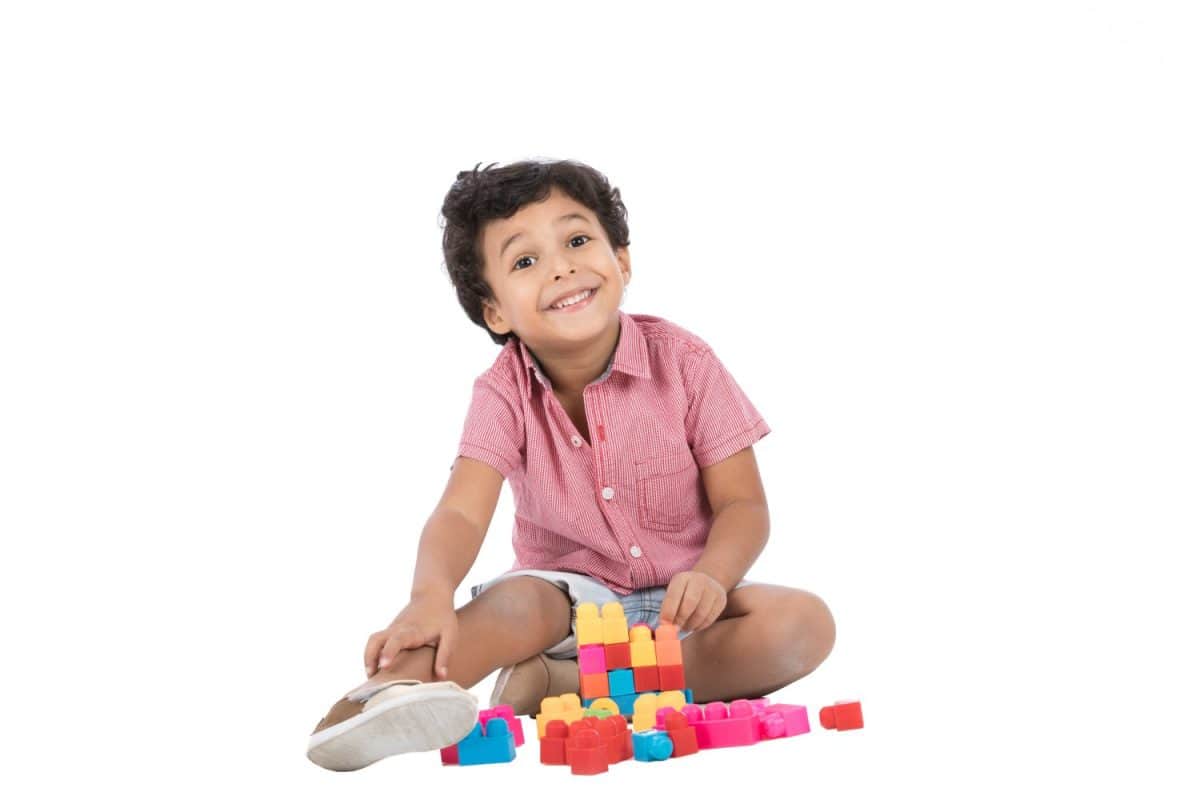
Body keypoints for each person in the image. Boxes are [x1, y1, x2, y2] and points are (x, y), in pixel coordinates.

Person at [307, 159, 836, 771]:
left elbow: (743, 504)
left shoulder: (686, 362)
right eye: (524, 261)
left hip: (685, 608)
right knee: (515, 605)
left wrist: (715, 576)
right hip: (567, 600)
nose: (561, 266)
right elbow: (459, 509)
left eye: (578, 241)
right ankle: (386, 696)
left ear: (623, 262)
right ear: (495, 311)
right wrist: (429, 595)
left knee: (802, 624)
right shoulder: (502, 393)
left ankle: (562, 686)